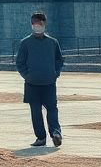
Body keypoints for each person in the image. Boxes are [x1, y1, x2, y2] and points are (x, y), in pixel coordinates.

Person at [16, 11, 65, 148]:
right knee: (36, 112)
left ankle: (56, 133)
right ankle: (40, 137)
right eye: (34, 24)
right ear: (31, 25)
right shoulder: (25, 43)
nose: (37, 26)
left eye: (40, 24)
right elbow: (20, 62)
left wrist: (55, 73)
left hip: (49, 83)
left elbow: (59, 60)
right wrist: (27, 75)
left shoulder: (52, 43)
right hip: (32, 84)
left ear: (44, 24)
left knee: (52, 109)